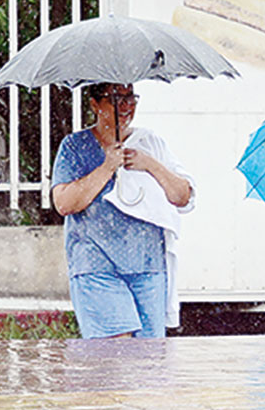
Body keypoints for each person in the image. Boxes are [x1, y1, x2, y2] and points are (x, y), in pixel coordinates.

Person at [51, 83, 195, 338]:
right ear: (95, 104)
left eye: (131, 98)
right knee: (117, 356)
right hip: (96, 264)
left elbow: (182, 196)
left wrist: (149, 164)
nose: (127, 106)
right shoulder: (75, 146)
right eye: (116, 99)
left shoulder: (150, 142)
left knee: (148, 361)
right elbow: (64, 203)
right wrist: (107, 167)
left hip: (148, 265)